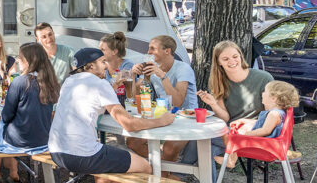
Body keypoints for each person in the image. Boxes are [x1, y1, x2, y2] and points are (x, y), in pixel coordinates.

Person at [48, 48, 175, 180]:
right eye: (103, 62)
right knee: (146, 167)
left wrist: (113, 85)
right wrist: (162, 121)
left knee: (107, 175)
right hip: (82, 154)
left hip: (56, 152)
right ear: (91, 66)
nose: (106, 66)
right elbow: (129, 124)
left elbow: (93, 96)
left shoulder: (69, 82)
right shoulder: (99, 84)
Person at [179, 40, 274, 181]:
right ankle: (180, 175)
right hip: (230, 133)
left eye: (235, 56)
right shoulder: (218, 82)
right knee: (205, 149)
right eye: (225, 59)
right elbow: (225, 118)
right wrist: (213, 104)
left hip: (255, 132)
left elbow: (272, 114)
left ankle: (176, 175)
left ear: (241, 56)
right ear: (219, 63)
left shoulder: (264, 78)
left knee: (201, 138)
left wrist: (249, 123)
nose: (232, 61)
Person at [0, 43, 60, 182]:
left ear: (28, 61)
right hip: (44, 140)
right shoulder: (50, 81)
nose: (17, 60)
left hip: (21, 142)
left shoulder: (20, 81)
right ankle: (12, 174)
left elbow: (6, 116)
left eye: (19, 58)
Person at [127, 35, 196, 166]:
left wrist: (162, 76)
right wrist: (135, 75)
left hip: (186, 119)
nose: (148, 52)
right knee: (132, 142)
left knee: (169, 149)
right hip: (163, 116)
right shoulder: (152, 69)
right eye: (149, 48)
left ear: (167, 51)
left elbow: (177, 103)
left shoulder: (183, 69)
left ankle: (163, 172)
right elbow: (137, 99)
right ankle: (161, 169)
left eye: (152, 48)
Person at [220, 81, 299, 168]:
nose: (262, 93)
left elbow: (265, 131)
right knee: (233, 133)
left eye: (265, 91)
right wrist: (244, 121)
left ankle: (230, 160)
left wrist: (245, 135)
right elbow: (262, 124)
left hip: (264, 148)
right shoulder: (276, 113)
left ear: (274, 98)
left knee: (226, 134)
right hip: (266, 145)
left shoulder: (274, 114)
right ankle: (231, 158)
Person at [100, 32, 134, 104]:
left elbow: (128, 89)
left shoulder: (127, 65)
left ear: (114, 51)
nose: (99, 52)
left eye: (102, 50)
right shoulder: (102, 66)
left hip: (125, 105)